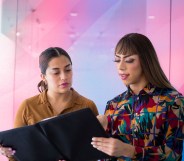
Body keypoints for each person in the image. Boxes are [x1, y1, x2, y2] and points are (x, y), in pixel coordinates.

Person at [91, 33, 184, 161]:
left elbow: (174, 153)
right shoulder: (113, 105)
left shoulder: (173, 101)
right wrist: (97, 134)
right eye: (117, 60)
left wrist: (129, 150)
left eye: (129, 60)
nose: (120, 66)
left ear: (146, 60)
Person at [0, 47, 98, 161]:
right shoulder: (27, 107)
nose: (64, 77)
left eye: (68, 70)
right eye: (56, 72)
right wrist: (9, 152)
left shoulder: (87, 106)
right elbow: (16, 156)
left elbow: (95, 153)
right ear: (43, 77)